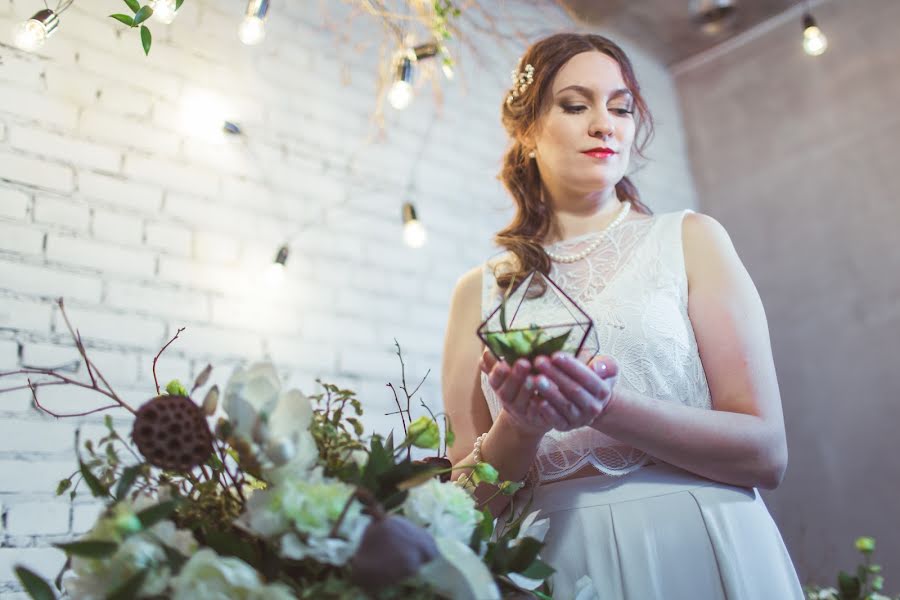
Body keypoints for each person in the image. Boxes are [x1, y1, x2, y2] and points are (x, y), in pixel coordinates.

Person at [441, 33, 804, 599]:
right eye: (575, 104)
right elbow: (461, 509)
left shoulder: (691, 240)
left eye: (620, 107)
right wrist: (519, 427)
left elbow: (766, 453)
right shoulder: (480, 289)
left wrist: (606, 407)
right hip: (555, 562)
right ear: (528, 130)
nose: (604, 124)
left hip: (701, 540)